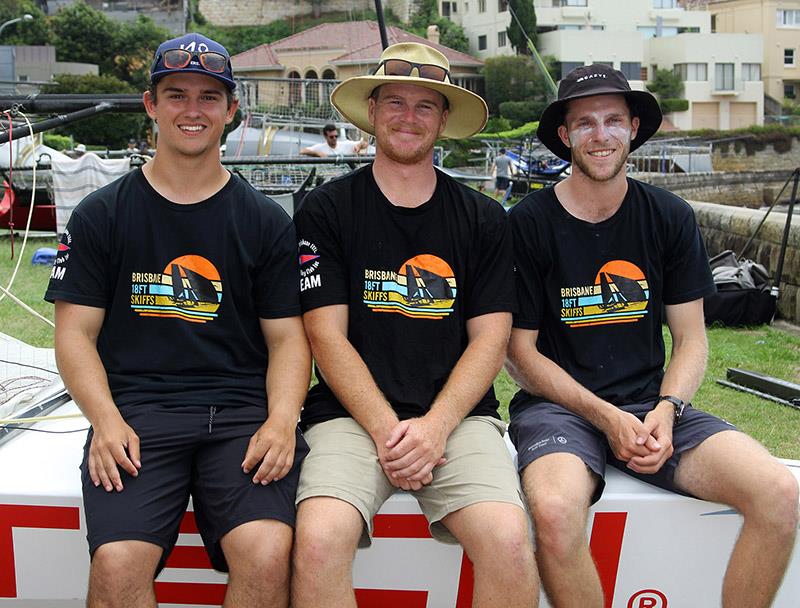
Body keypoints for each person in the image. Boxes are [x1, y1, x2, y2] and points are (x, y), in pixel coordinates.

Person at [506, 63, 799, 608]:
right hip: (559, 407)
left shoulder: (669, 215)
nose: (602, 136)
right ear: (566, 136)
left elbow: (690, 340)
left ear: (633, 129)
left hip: (651, 405)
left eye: (614, 120)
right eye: (587, 123)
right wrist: (606, 417)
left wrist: (666, 409)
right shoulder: (528, 223)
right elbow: (518, 355)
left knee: (779, 493)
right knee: (552, 510)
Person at [45, 32, 310, 608]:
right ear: (151, 105)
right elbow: (74, 334)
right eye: (176, 94)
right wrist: (105, 421)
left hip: (241, 412)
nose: (193, 110)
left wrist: (283, 419)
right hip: (137, 413)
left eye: (209, 97)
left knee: (266, 553)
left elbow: (289, 340)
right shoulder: (102, 214)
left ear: (232, 110)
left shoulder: (265, 221)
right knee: (116, 565)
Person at [291, 42, 539, 608]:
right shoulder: (326, 210)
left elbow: (491, 338)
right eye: (395, 102)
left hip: (457, 418)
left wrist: (433, 427)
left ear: (444, 120)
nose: (408, 117)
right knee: (319, 542)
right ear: (372, 112)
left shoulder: (483, 218)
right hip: (349, 416)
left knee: (508, 541)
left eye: (425, 106)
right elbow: (324, 336)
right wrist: (386, 429)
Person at [299, 123, 366, 157]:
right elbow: (302, 151)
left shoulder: (345, 144)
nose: (334, 138)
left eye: (336, 136)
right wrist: (316, 153)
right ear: (325, 136)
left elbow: (364, 143)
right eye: (331, 137)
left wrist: (359, 146)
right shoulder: (320, 147)